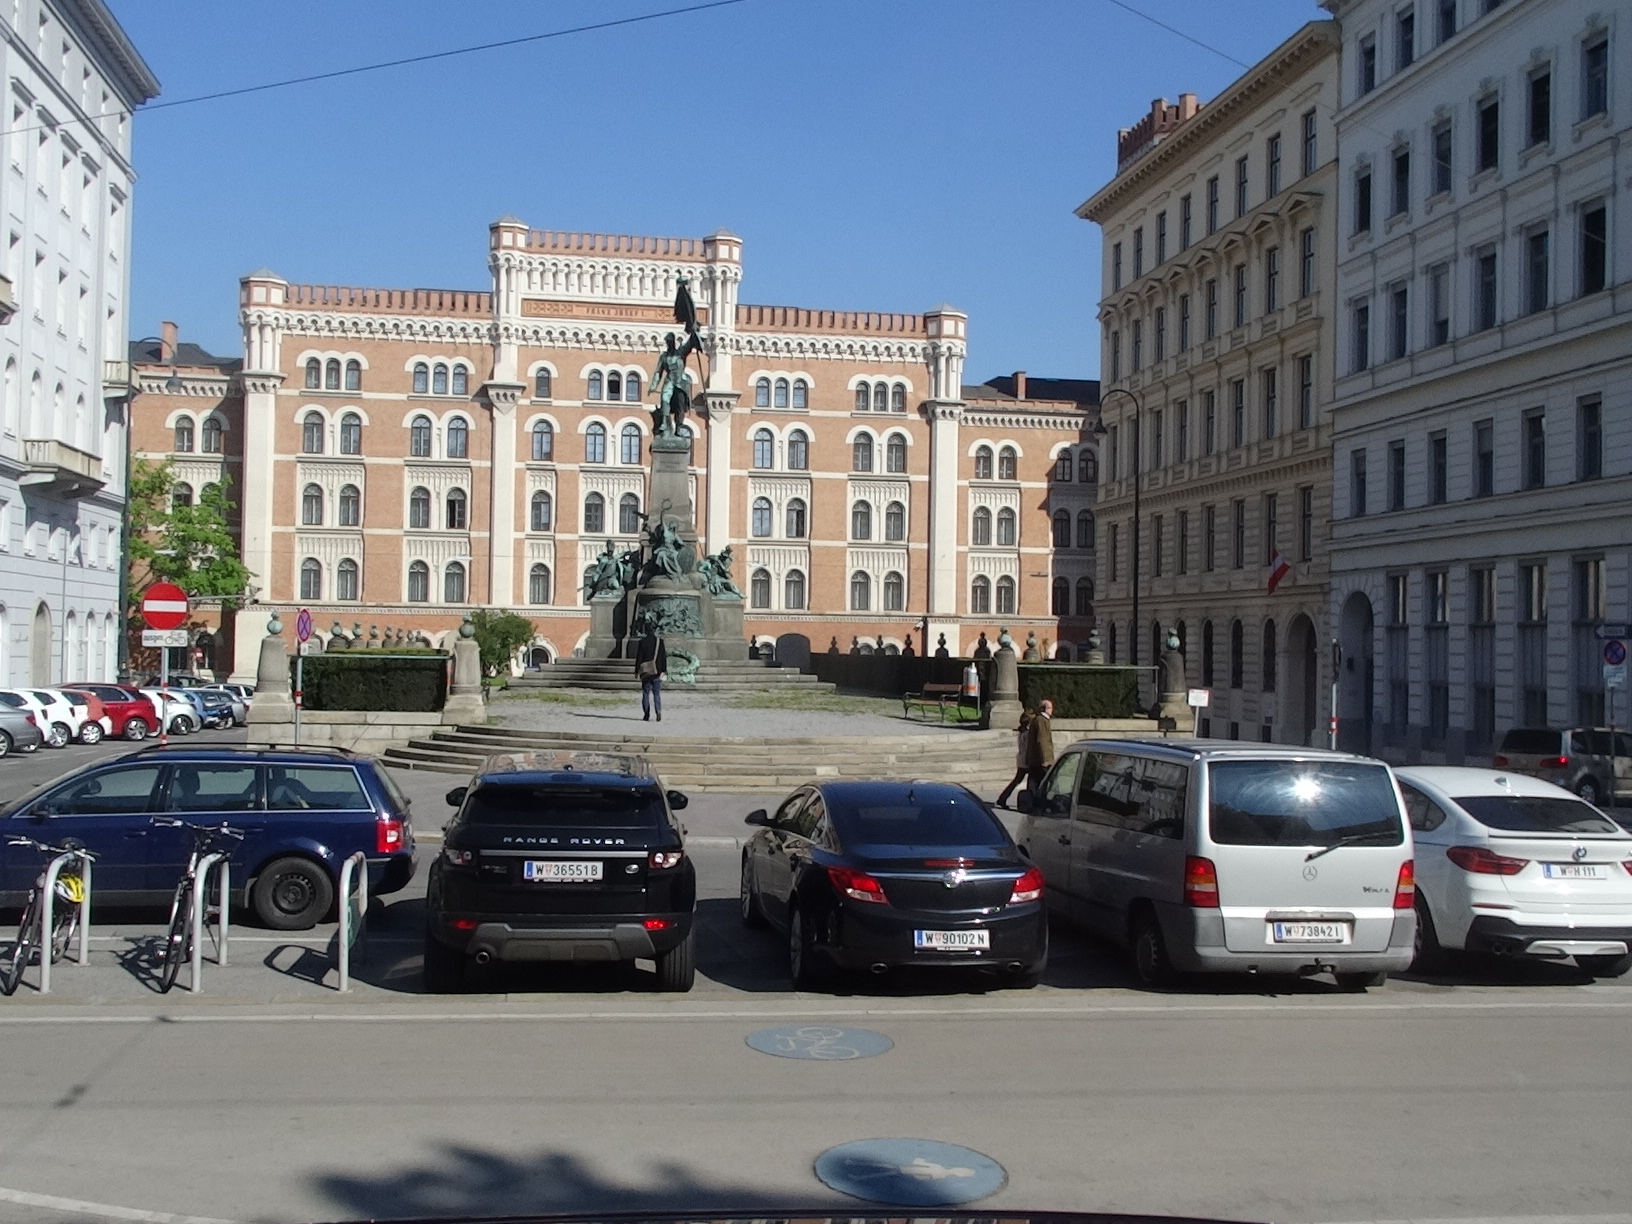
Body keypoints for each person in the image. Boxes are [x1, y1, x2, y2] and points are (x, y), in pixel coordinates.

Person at [994, 708, 1035, 809]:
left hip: (1021, 758)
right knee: (1029, 781)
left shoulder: (1022, 732)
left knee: (1017, 780)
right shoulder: (1027, 733)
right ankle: (1028, 802)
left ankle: (1003, 798)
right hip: (1026, 759)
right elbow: (1028, 747)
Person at [1023, 699, 1056, 800]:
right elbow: (1042, 740)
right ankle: (1036, 801)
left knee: (1033, 781)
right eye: (1049, 708)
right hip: (1040, 760)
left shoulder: (1039, 719)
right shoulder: (1041, 720)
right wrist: (1045, 759)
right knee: (1044, 781)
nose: (1051, 710)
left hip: (1035, 759)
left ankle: (1031, 801)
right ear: (1044, 709)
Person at [633, 629, 667, 721]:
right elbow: (663, 657)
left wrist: (636, 671)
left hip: (646, 673)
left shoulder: (642, 642)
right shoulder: (659, 642)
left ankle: (646, 713)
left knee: (645, 693)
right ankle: (658, 710)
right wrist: (663, 670)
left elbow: (639, 658)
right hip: (656, 671)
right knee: (656, 693)